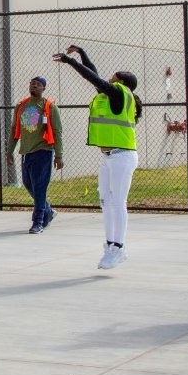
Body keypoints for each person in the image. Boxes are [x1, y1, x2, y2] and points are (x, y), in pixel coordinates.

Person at [51, 45, 140, 269]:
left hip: (122, 155)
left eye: (113, 78)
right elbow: (95, 75)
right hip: (108, 157)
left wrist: (71, 62)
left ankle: (118, 248)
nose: (108, 79)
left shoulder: (120, 94)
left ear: (121, 82)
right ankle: (111, 245)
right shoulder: (112, 95)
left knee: (118, 202)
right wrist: (81, 52)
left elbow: (94, 79)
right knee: (106, 202)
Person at [6, 76, 63, 234]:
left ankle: (38, 222)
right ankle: (48, 210)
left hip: (43, 151)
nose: (34, 86)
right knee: (28, 184)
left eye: (38, 85)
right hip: (27, 152)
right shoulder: (21, 106)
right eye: (32, 84)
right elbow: (14, 130)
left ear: (43, 88)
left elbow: (58, 131)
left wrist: (59, 155)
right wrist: (9, 151)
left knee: (39, 187)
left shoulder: (49, 107)